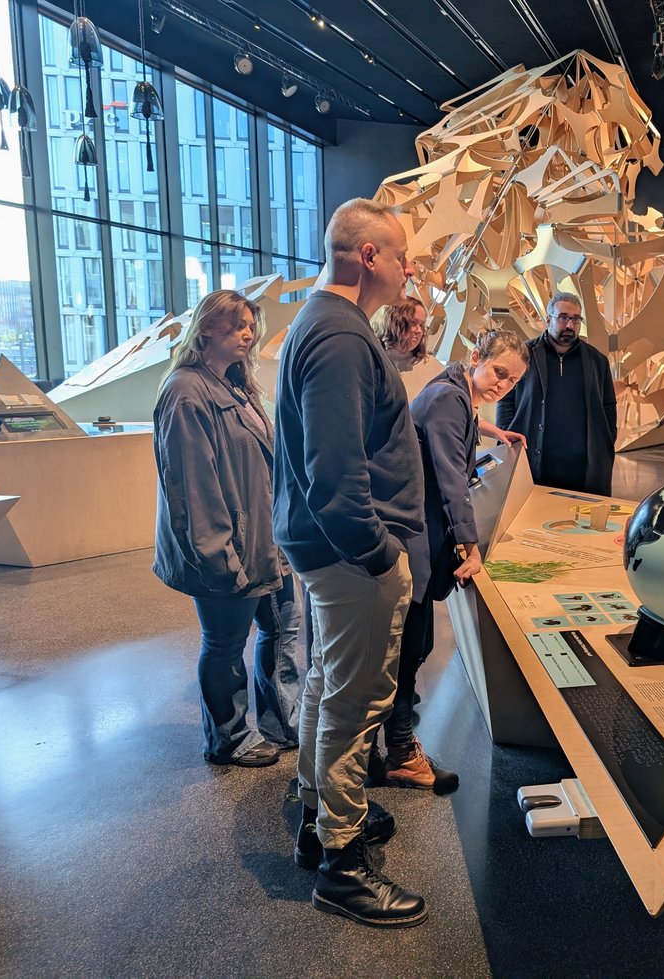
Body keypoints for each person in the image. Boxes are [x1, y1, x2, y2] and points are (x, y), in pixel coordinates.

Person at [272, 199, 428, 927]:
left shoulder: (327, 325)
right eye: (400, 255)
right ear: (367, 256)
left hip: (331, 552)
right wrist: (379, 552)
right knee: (352, 700)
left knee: (331, 684)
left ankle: (319, 819)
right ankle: (341, 862)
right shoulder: (338, 335)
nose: (408, 268)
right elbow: (333, 471)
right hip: (350, 556)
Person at [153, 289, 304, 769]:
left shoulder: (236, 385)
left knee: (282, 630)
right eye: (237, 324)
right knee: (224, 646)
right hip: (227, 549)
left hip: (265, 541)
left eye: (250, 324)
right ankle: (228, 738)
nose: (248, 333)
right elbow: (193, 487)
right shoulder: (185, 391)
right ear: (206, 330)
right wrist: (220, 556)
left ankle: (281, 723)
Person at [379, 329, 529, 792]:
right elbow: (450, 479)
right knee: (409, 650)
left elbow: (460, 422)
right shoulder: (448, 398)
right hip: (416, 538)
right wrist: (470, 545)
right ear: (477, 357)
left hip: (419, 535)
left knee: (413, 646)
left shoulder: (455, 391)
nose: (504, 384)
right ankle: (400, 751)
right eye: (499, 372)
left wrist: (494, 431)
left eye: (513, 381)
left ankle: (393, 740)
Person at [496, 292, 617, 496]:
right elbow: (505, 398)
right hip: (534, 461)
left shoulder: (597, 360)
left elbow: (608, 405)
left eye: (575, 319)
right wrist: (505, 433)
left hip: (582, 468)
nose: (569, 325)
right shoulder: (525, 355)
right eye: (563, 317)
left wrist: (606, 440)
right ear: (548, 319)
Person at [373, 297, 439, 402]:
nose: (419, 331)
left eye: (422, 325)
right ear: (395, 322)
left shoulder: (432, 367)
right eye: (413, 322)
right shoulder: (372, 358)